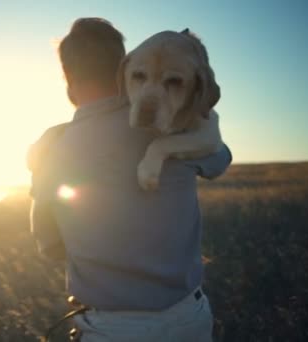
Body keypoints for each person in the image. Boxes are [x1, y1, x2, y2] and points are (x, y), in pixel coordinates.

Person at [27, 18, 232, 341]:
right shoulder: (177, 122)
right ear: (123, 67)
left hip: (112, 328)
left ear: (67, 79)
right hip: (189, 319)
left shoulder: (52, 148)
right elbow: (221, 160)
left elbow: (49, 245)